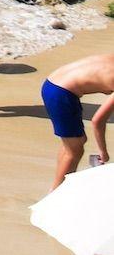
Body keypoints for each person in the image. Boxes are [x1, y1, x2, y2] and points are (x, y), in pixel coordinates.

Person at [40, 50, 114, 189]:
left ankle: (57, 185)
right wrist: (103, 152)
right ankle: (56, 195)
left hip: (53, 82)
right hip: (60, 93)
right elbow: (97, 121)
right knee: (75, 151)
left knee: (74, 143)